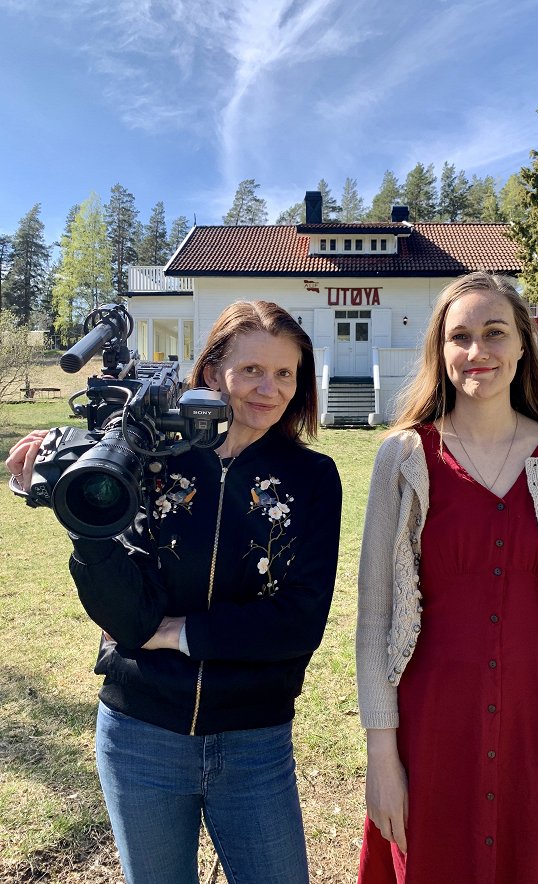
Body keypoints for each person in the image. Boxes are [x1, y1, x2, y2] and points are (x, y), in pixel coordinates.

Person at [6, 300, 342, 884]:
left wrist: (181, 633)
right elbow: (128, 619)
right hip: (141, 739)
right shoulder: (148, 461)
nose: (270, 389)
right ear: (213, 372)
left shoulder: (313, 479)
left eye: (286, 373)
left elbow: (299, 622)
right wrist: (84, 512)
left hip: (254, 741)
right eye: (252, 370)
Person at [355, 272, 538, 884]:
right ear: (440, 353)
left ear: (524, 344)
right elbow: (374, 620)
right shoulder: (403, 459)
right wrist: (382, 760)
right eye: (460, 337)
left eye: (494, 333)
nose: (478, 352)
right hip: (429, 732)